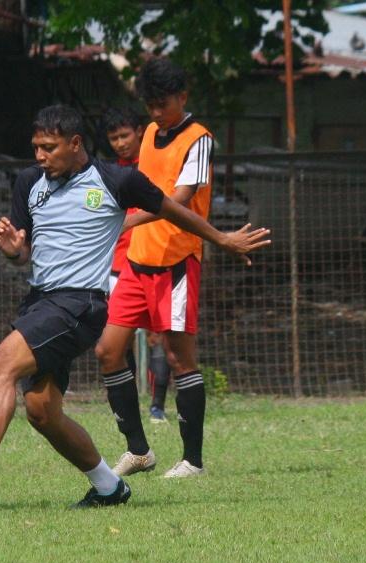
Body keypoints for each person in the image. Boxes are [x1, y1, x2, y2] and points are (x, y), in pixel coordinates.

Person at [0, 104, 269, 508]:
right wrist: (14, 251)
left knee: (2, 363)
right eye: (35, 147)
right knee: (42, 412)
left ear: (75, 143)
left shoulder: (116, 179)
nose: (39, 156)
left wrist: (222, 239)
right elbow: (24, 251)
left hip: (80, 304)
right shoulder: (30, 182)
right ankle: (109, 487)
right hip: (40, 302)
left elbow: (173, 210)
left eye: (48, 147)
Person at [95, 57, 218, 479]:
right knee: (108, 351)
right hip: (137, 261)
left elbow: (179, 198)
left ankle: (193, 460)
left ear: (182, 97)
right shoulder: (148, 133)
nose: (155, 113)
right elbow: (140, 187)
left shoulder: (199, 138)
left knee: (180, 358)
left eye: (162, 104)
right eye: (150, 104)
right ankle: (139, 451)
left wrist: (131, 219)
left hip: (176, 261)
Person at [103, 106, 171, 425]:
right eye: (113, 138)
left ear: (140, 132)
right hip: (117, 265)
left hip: (155, 259)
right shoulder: (107, 174)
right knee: (119, 337)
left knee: (159, 337)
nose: (120, 143)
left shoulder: (151, 168)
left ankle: (158, 407)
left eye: (125, 135)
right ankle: (129, 403)